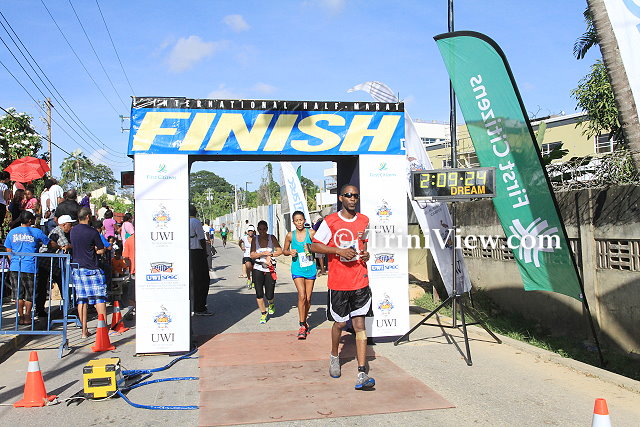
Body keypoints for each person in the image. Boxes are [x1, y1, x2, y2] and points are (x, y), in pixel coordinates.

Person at [311, 184, 375, 390]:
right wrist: (337, 250)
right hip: (339, 283)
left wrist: (366, 254)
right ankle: (333, 356)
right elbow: (314, 245)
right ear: (341, 198)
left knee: (359, 325)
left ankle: (362, 373)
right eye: (348, 195)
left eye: (356, 195)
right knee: (339, 324)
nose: (352, 199)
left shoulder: (364, 220)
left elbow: (364, 244)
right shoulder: (330, 221)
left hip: (360, 280)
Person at [4, 211, 51, 325]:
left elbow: (8, 249)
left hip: (15, 267)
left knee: (18, 294)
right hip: (30, 267)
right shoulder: (36, 231)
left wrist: (13, 260)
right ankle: (27, 316)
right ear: (30, 220)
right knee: (29, 294)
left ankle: (21, 317)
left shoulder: (12, 232)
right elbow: (48, 243)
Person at [70, 207, 107, 339]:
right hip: (91, 267)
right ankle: (103, 328)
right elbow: (101, 250)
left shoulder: (73, 231)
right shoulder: (92, 232)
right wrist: (95, 250)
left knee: (82, 299)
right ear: (88, 216)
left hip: (77, 268)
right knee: (99, 297)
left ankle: (84, 331)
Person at [283, 211, 317, 339]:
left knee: (308, 298)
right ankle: (302, 325)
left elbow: (320, 247)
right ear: (293, 222)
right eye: (296, 220)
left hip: (310, 268)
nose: (299, 223)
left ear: (304, 220)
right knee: (301, 295)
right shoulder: (290, 235)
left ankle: (304, 320)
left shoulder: (311, 233)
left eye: (301, 220)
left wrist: (311, 247)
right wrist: (290, 252)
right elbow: (284, 250)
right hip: (297, 268)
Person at [35, 214, 75, 317]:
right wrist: (71, 246)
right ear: (64, 224)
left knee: (45, 285)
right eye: (70, 225)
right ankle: (66, 307)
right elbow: (65, 245)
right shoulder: (59, 231)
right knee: (60, 283)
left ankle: (41, 309)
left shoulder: (58, 231)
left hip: (50, 260)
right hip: (48, 260)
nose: (71, 227)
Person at [250, 220, 282, 324]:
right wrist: (262, 254)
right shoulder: (255, 239)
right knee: (259, 293)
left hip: (269, 268)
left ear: (267, 229)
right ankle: (263, 314)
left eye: (264, 229)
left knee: (269, 294)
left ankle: (271, 303)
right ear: (257, 230)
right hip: (258, 267)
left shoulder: (271, 238)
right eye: (260, 229)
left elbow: (280, 251)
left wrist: (271, 255)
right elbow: (252, 255)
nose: (262, 231)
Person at [189, 204, 213, 316]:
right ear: (196, 212)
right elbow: (201, 239)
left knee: (192, 281)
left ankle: (193, 306)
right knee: (203, 280)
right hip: (197, 253)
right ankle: (200, 307)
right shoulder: (196, 222)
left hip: (187, 253)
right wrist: (205, 252)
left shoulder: (182, 222)